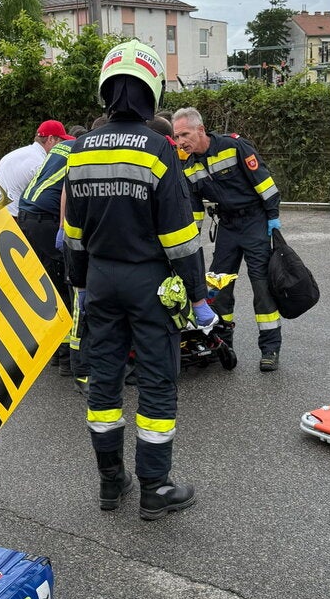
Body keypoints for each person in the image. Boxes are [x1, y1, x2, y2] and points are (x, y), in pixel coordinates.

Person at [63, 39, 213, 519]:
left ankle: (111, 484)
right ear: (153, 88)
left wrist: (82, 286)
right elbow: (179, 235)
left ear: (105, 87)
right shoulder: (158, 148)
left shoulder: (79, 149)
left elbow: (73, 231)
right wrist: (197, 293)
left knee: (104, 382)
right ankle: (155, 487)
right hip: (150, 283)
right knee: (156, 381)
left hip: (101, 279)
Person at [172, 107, 283, 372]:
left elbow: (264, 183)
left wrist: (273, 218)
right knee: (219, 287)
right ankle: (223, 343)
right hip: (228, 226)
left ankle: (270, 349)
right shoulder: (188, 165)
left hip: (254, 221)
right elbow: (195, 208)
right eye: (176, 137)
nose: (180, 142)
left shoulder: (233, 147)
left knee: (262, 287)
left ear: (200, 130)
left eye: (184, 134)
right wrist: (191, 241)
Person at [18, 127, 82, 375]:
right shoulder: (82, 151)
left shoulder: (61, 148)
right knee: (67, 290)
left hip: (28, 216)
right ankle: (67, 360)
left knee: (49, 288)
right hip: (46, 221)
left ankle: (55, 353)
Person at [0, 120, 73, 217]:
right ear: (51, 139)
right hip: (15, 217)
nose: (62, 147)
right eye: (61, 142)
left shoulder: (20, 154)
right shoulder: (40, 161)